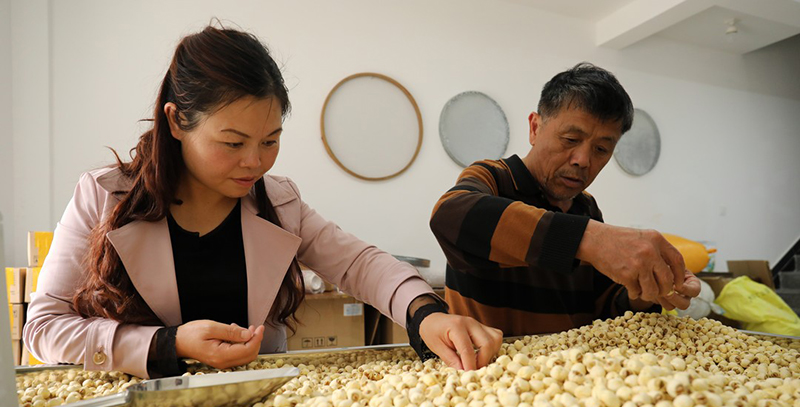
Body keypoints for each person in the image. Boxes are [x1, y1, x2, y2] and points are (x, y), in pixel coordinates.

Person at [23, 25, 502, 377]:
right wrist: (165, 345)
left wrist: (427, 313)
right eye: (232, 143)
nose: (255, 162)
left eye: (270, 140)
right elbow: (43, 328)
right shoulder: (106, 196)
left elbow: (360, 264)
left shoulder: (277, 201)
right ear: (175, 122)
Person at [430, 62, 700, 336]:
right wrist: (589, 240)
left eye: (602, 149)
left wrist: (647, 290)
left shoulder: (586, 208)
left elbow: (604, 307)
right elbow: (450, 216)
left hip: (568, 372)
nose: (583, 160)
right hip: (490, 369)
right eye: (571, 139)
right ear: (535, 128)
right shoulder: (494, 178)